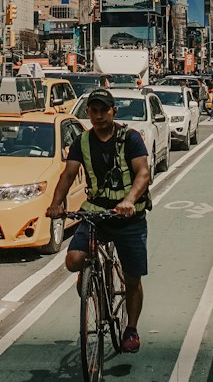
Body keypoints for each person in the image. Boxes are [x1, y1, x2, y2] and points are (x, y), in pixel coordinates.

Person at [47, 88, 151, 354]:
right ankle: (90, 271)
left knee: (132, 278)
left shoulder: (130, 138)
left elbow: (143, 173)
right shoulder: (81, 141)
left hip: (129, 216)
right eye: (93, 111)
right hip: (96, 213)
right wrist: (57, 204)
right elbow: (67, 175)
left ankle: (131, 329)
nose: (99, 116)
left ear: (113, 111)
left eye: (104, 110)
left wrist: (128, 201)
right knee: (73, 260)